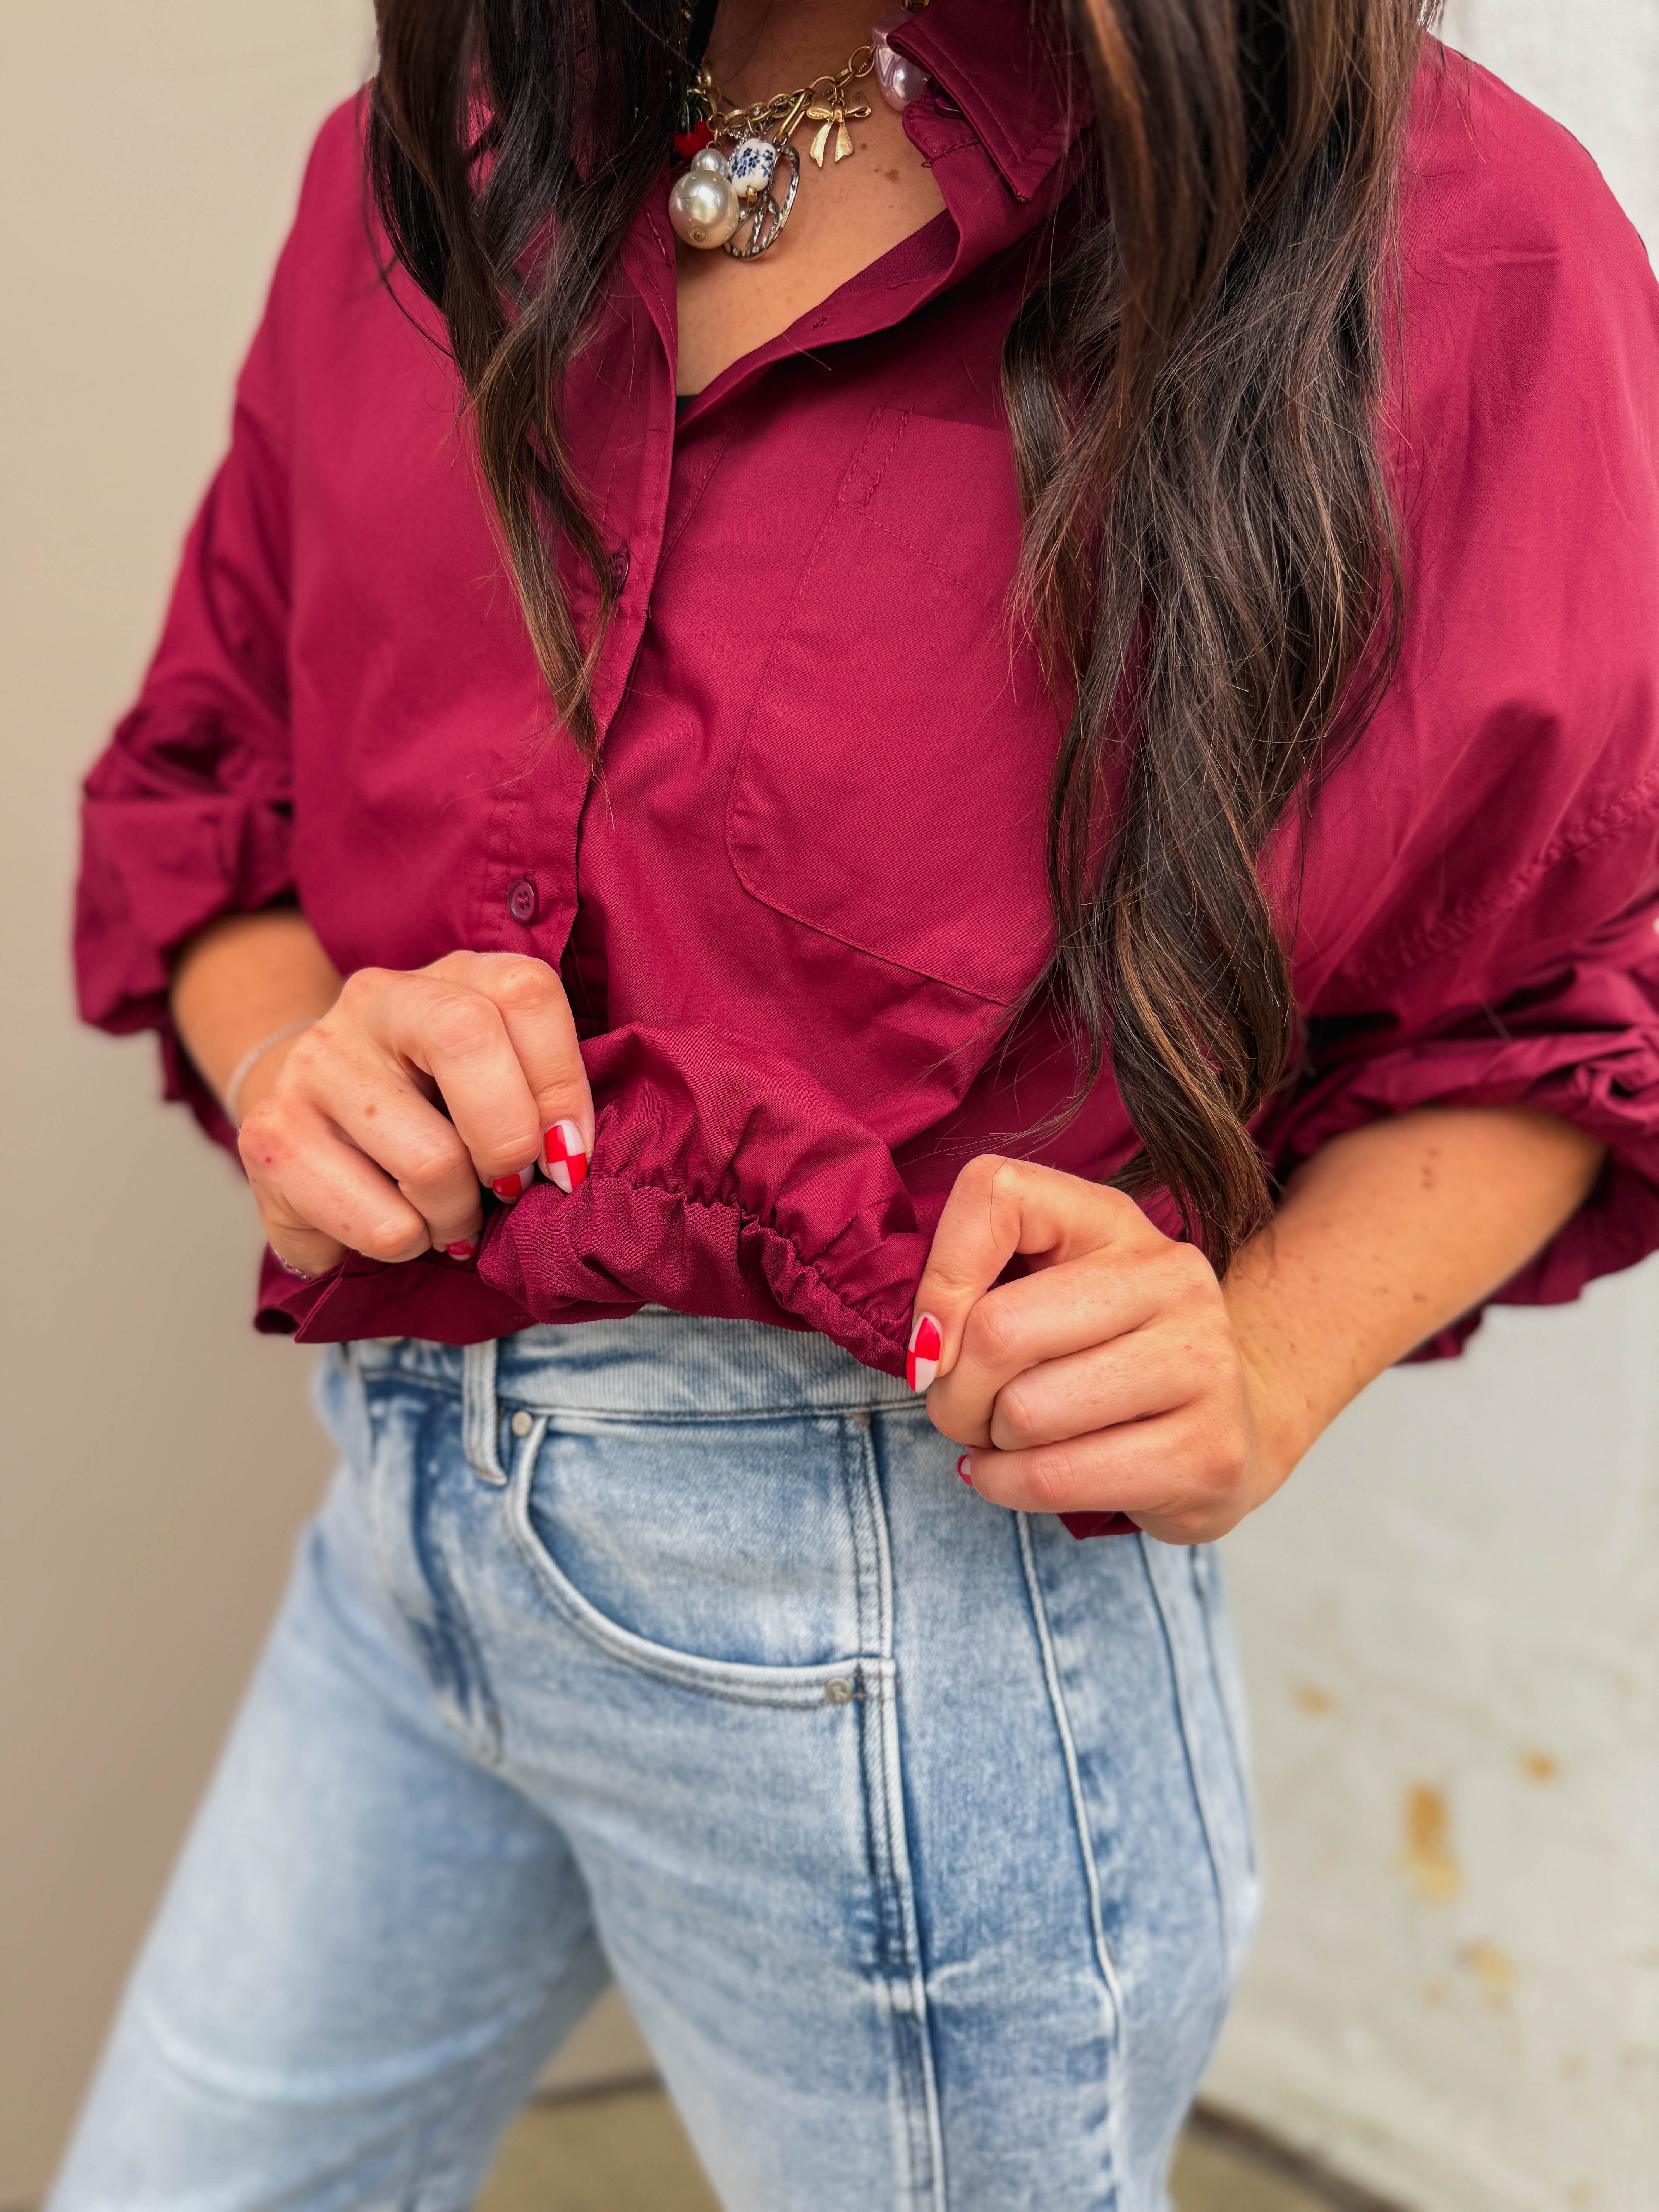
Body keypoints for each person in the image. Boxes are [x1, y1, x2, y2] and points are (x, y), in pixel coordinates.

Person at [52, 0, 1659, 2204]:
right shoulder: (437, 160)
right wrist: (290, 1062)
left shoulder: (1442, 245)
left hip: (915, 1642)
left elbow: (1587, 955)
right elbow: (217, 782)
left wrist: (1268, 1360)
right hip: (402, 1537)